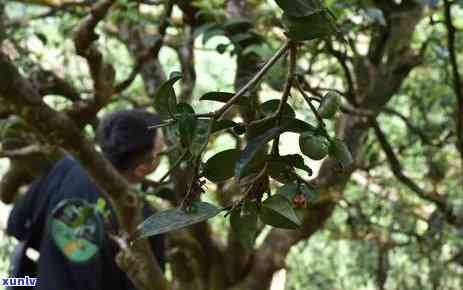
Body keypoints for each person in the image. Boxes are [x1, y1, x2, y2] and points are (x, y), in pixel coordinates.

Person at [6, 109, 165, 290]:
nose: (165, 150)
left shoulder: (65, 168)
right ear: (142, 169)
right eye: (162, 150)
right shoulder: (150, 221)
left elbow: (16, 225)